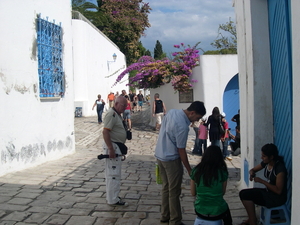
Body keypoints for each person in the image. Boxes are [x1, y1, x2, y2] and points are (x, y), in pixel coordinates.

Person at [155, 101, 206, 225]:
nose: (196, 121)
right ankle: (175, 220)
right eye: (197, 118)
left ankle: (165, 216)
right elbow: (181, 150)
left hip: (160, 155)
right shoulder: (182, 126)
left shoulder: (173, 111)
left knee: (166, 188)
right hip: (171, 159)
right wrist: (189, 170)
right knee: (174, 191)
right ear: (192, 113)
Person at [239, 143, 287, 225]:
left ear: (271, 157)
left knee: (246, 195)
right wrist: (252, 174)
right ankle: (251, 219)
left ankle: (252, 221)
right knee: (243, 193)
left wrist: (262, 181)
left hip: (276, 198)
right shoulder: (267, 163)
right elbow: (253, 170)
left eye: (264, 156)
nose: (262, 158)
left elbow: (278, 191)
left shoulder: (279, 169)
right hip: (268, 193)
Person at [190, 145, 233, 225]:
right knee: (227, 216)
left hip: (200, 210)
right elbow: (222, 192)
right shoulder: (222, 172)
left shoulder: (196, 171)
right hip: (217, 211)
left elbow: (193, 193)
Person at [102, 96, 128, 206]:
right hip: (113, 146)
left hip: (116, 146)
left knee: (114, 174)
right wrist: (111, 149)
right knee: (113, 175)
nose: (124, 108)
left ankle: (113, 196)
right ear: (116, 104)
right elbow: (105, 132)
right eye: (123, 106)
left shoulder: (116, 114)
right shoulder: (111, 114)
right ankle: (113, 199)